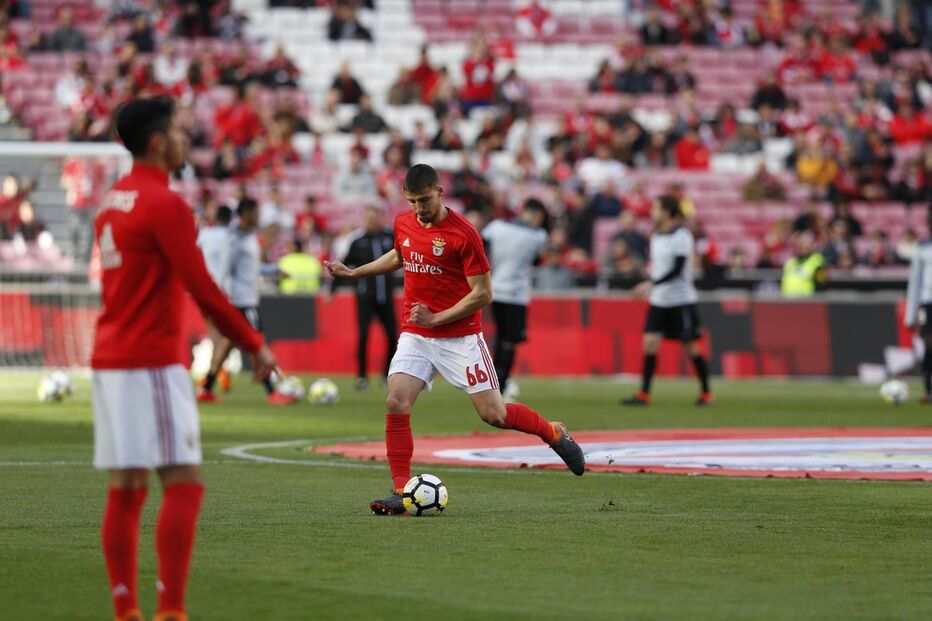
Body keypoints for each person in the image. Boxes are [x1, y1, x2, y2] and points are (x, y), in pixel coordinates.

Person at [92, 97, 277, 621]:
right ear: (157, 142)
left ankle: (125, 609)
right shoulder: (165, 204)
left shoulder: (112, 201)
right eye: (176, 130)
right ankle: (171, 609)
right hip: (150, 359)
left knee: (126, 488)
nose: (183, 139)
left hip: (110, 357)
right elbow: (203, 287)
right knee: (184, 481)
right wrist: (253, 343)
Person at [325, 165, 585, 515]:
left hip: (460, 337)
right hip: (417, 334)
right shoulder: (403, 223)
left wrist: (438, 317)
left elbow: (483, 294)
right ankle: (402, 493)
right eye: (413, 201)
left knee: (494, 414)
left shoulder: (464, 235)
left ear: (440, 192)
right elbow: (400, 256)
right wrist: (355, 272)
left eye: (426, 200)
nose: (420, 208)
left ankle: (553, 432)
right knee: (396, 402)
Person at [197, 198, 295, 405]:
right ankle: (271, 391)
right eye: (255, 211)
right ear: (246, 214)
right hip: (242, 301)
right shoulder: (234, 238)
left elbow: (251, 268)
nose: (258, 215)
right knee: (257, 341)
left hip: (247, 298)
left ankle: (206, 387)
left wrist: (274, 271)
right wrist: (223, 294)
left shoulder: (248, 237)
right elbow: (225, 268)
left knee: (228, 342)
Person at [621, 196, 712, 407]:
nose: (652, 211)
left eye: (656, 208)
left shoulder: (682, 235)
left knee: (690, 347)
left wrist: (650, 283)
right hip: (659, 300)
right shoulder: (656, 236)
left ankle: (706, 392)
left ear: (668, 212)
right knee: (650, 343)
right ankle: (644, 393)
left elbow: (677, 269)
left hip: (681, 300)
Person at [481, 198, 548, 397]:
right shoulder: (537, 235)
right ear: (536, 215)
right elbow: (537, 260)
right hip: (516, 294)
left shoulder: (496, 226)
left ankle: (494, 382)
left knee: (499, 338)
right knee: (509, 342)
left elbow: (481, 248)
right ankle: (500, 387)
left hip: (494, 289)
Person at [331, 206, 398, 390]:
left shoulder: (389, 237)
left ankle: (387, 375)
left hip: (386, 296)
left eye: (374, 217)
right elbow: (345, 264)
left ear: (380, 218)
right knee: (363, 335)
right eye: (368, 218)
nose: (371, 221)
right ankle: (362, 375)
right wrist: (333, 288)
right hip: (365, 297)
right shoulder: (357, 241)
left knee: (393, 335)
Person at [196, 205, 235, 392]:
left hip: (206, 289)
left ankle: (213, 376)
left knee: (215, 335)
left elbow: (196, 256)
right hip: (226, 290)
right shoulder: (232, 237)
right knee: (229, 335)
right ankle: (216, 371)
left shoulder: (205, 234)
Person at [905, 209, 932, 403]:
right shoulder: (923, 248)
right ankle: (929, 388)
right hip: (928, 301)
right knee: (929, 343)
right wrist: (910, 314)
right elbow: (915, 281)